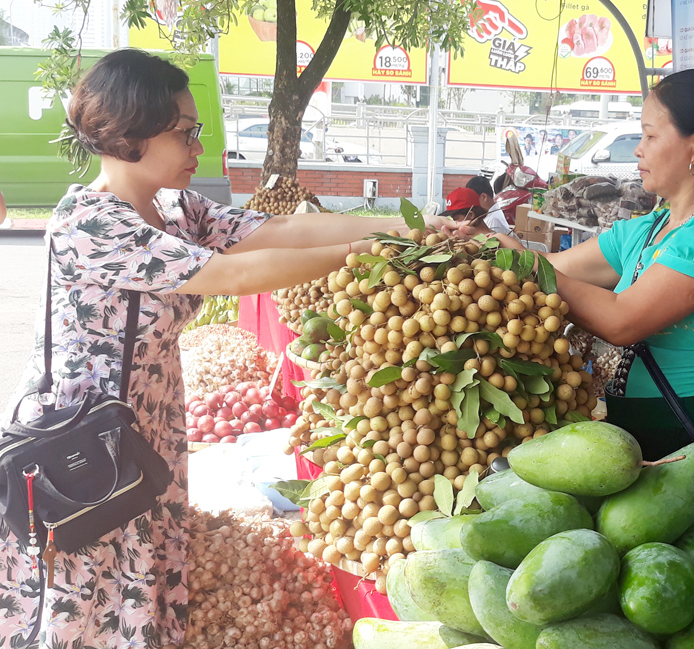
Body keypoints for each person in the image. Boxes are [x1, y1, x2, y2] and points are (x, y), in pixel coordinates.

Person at [0, 48, 467, 649]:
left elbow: (277, 231)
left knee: (144, 579)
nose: (199, 145)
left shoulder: (174, 209)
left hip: (149, 423)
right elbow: (237, 274)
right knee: (90, 590)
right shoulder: (89, 222)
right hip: (87, 438)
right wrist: (375, 251)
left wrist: (408, 228)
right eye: (186, 131)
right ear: (132, 133)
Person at [493, 68, 694, 466]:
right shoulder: (646, 229)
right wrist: (494, 250)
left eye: (651, 135)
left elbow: (623, 321)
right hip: (627, 450)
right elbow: (554, 269)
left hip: (691, 456)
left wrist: (530, 266)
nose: (639, 149)